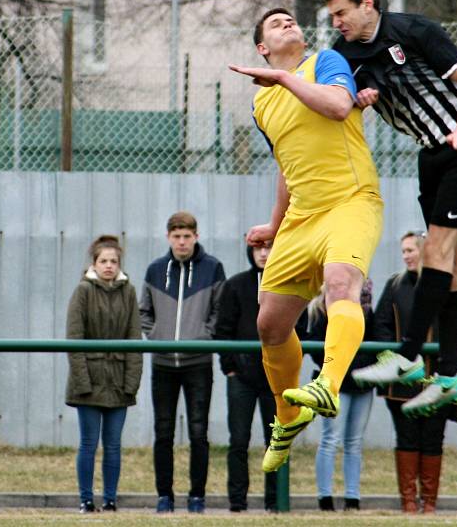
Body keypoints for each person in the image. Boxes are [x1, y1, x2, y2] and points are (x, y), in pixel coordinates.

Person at [322, 0, 457, 417]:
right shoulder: (340, 54)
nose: (337, 22)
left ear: (368, 3)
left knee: (435, 252)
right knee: (455, 264)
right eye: (332, 15)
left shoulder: (414, 29)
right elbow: (342, 104)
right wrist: (361, 99)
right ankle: (449, 374)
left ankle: (406, 356)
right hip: (431, 157)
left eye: (342, 12)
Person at [228, 7, 384, 473]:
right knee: (269, 325)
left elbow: (337, 106)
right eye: (275, 24)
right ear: (261, 47)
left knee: (341, 285)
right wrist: (276, 226)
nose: (287, 23)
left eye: (291, 19)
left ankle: (328, 384)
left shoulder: (326, 62)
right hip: (301, 218)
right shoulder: (262, 106)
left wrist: (282, 77)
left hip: (350, 201)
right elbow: (287, 165)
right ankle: (287, 415)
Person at [140, 211, 225, 514]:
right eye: (176, 236)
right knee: (163, 431)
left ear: (196, 236)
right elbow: (144, 312)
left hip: (198, 363)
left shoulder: (213, 268)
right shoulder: (154, 270)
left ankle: (197, 497)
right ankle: (164, 496)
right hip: (163, 363)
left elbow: (219, 310)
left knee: (198, 432)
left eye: (187, 236)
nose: (182, 242)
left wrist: (204, 335)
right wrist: (157, 335)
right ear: (168, 238)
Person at [373, 230, 457, 514]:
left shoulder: (449, 285)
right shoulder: (395, 285)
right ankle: (409, 501)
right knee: (407, 438)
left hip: (438, 379)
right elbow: (381, 325)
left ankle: (431, 503)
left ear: (426, 251)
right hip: (402, 383)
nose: (406, 255)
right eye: (404, 251)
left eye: (411, 250)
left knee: (433, 439)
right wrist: (396, 358)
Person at [65, 235, 143, 514]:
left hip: (118, 382)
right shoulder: (83, 291)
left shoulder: (128, 292)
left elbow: (135, 339)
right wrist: (83, 383)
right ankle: (86, 499)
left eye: (114, 261)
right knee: (88, 443)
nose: (108, 266)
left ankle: (110, 499)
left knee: (113, 445)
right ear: (94, 263)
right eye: (103, 261)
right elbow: (74, 340)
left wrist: (131, 383)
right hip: (89, 382)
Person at [213, 241, 291, 513]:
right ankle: (237, 501)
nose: (264, 253)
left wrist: (287, 366)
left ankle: (275, 501)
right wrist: (230, 367)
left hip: (275, 378)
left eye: (269, 247)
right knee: (238, 440)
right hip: (241, 378)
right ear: (250, 251)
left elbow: (298, 327)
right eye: (259, 248)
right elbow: (222, 329)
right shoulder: (235, 285)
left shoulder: (288, 285)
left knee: (276, 440)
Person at [307, 281, 376, 511]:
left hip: (362, 383)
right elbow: (316, 349)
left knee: (354, 442)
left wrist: (361, 369)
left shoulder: (367, 308)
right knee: (330, 439)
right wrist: (341, 367)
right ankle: (324, 497)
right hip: (334, 382)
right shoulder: (320, 307)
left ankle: (352, 498)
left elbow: (375, 343)